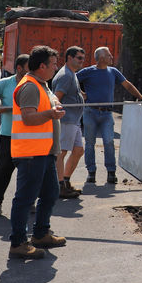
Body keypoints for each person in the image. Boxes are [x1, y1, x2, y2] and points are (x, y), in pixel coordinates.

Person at [8, 45, 67, 259]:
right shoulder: (31, 86)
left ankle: (41, 234)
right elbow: (29, 118)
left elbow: (46, 108)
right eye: (53, 64)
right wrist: (51, 113)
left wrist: (54, 107)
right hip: (31, 153)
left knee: (50, 193)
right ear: (42, 66)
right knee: (25, 198)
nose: (56, 67)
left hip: (44, 152)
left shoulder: (42, 85)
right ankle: (18, 242)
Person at [77, 46, 142, 184]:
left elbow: (127, 85)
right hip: (90, 112)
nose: (112, 57)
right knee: (89, 143)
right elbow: (71, 81)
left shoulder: (113, 72)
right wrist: (82, 94)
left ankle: (111, 172)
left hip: (106, 114)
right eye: (109, 55)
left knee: (109, 142)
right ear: (101, 58)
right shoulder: (88, 72)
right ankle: (91, 172)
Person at [0, 53, 29, 216]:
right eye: (28, 67)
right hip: (8, 134)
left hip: (29, 136)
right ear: (19, 68)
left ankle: (28, 202)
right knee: (2, 170)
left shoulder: (35, 85)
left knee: (28, 172)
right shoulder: (4, 84)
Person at [52, 46, 86, 199]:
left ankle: (65, 181)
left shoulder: (72, 74)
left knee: (78, 150)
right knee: (61, 152)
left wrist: (79, 96)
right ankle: (58, 186)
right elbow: (56, 97)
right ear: (69, 58)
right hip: (66, 120)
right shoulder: (66, 75)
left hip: (75, 120)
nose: (82, 61)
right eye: (79, 58)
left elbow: (69, 92)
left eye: (83, 59)